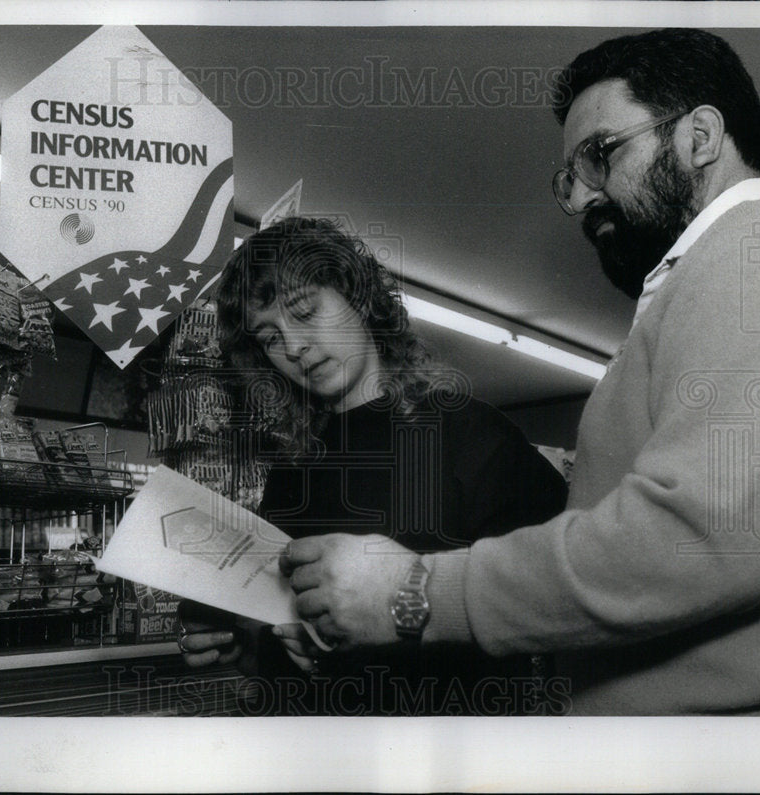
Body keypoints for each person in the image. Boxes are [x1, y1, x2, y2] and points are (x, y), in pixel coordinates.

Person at [279, 28, 760, 716]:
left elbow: (702, 539)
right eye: (570, 178)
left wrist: (415, 590)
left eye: (601, 155)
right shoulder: (716, 279)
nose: (583, 199)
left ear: (700, 137)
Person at [177, 216, 568, 715]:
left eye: (304, 312)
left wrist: (405, 614)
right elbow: (292, 643)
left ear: (358, 295)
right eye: (270, 338)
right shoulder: (291, 470)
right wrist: (246, 644)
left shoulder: (473, 436)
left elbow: (561, 594)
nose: (294, 348)